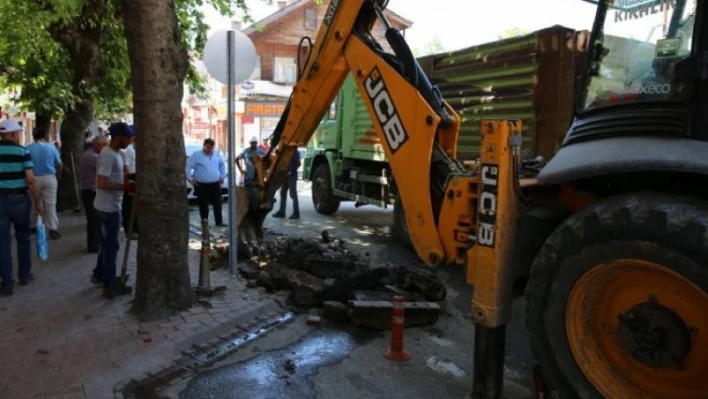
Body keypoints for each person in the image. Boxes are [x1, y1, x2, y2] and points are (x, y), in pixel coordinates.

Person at [91, 122, 135, 299]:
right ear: (118, 137)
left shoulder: (119, 154)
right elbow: (102, 182)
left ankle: (99, 275)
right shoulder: (108, 155)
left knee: (106, 244)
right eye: (127, 137)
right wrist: (123, 187)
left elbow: (119, 176)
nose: (130, 140)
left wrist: (129, 181)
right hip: (107, 208)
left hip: (110, 206)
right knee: (111, 247)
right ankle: (108, 285)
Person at [0, 120, 43, 296]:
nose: (19, 135)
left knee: (2, 243)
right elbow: (30, 179)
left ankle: (7, 283)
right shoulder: (22, 151)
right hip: (19, 199)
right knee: (23, 237)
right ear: (12, 134)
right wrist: (37, 201)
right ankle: (24, 275)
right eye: (17, 132)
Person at [27, 127, 63, 239]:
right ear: (45, 135)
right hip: (50, 177)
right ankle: (52, 228)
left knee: (34, 202)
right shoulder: (51, 147)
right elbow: (60, 164)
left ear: (33, 136)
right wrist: (57, 176)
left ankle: (34, 225)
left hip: (34, 178)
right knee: (51, 204)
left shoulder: (28, 148)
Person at [186, 138, 226, 227]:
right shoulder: (197, 155)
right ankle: (205, 222)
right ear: (204, 146)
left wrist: (222, 176)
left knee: (218, 203)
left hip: (215, 184)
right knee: (203, 205)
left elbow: (221, 164)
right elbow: (188, 166)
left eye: (211, 148)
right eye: (208, 147)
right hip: (202, 185)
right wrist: (190, 179)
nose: (209, 150)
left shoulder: (216, 154)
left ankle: (219, 221)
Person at [81, 135, 108, 253]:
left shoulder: (90, 154)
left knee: (94, 219)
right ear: (99, 145)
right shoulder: (92, 157)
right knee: (94, 219)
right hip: (90, 190)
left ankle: (95, 243)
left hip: (89, 189)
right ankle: (93, 245)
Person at [272, 148, 300, 219]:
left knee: (293, 194)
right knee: (283, 193)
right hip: (285, 175)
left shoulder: (294, 151)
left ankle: (296, 213)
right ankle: (282, 212)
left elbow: (298, 163)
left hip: (291, 175)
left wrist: (291, 171)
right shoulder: (285, 150)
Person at [120, 134, 137, 238]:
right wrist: (129, 181)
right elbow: (125, 167)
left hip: (131, 179)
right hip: (130, 180)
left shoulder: (130, 149)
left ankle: (132, 229)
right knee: (129, 208)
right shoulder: (128, 150)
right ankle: (130, 230)